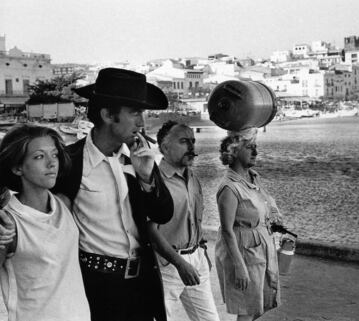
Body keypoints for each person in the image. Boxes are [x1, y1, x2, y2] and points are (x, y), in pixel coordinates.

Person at [53, 68, 174, 321]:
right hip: (95, 288)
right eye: (135, 113)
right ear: (108, 115)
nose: (143, 123)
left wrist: (146, 178)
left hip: (141, 286)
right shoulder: (70, 163)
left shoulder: (140, 156)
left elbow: (163, 214)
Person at [0, 124, 90, 321]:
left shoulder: (64, 204)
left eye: (55, 155)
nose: (52, 163)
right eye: (39, 156)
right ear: (17, 167)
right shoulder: (9, 222)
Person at [147, 121, 220, 321]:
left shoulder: (192, 178)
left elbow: (196, 219)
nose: (191, 147)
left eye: (193, 141)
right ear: (164, 147)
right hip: (167, 266)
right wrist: (180, 264)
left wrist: (202, 251)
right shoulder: (154, 181)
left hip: (196, 260)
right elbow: (151, 232)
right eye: (183, 141)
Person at [215, 127, 282, 321]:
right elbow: (227, 230)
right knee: (246, 309)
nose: (256, 152)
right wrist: (239, 266)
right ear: (234, 152)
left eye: (255, 147)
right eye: (249, 147)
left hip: (259, 248)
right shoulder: (229, 187)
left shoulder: (252, 177)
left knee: (263, 303)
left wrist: (273, 212)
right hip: (242, 251)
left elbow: (264, 201)